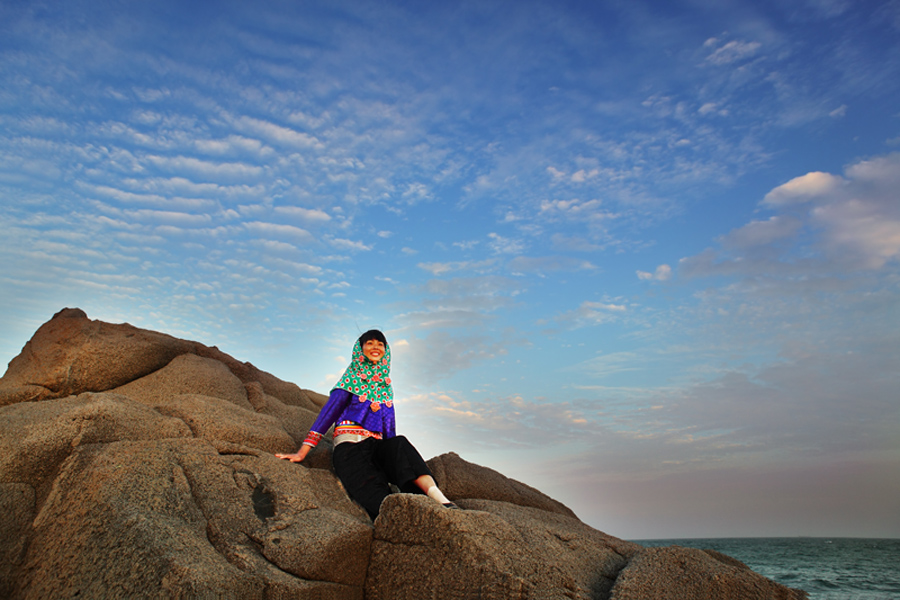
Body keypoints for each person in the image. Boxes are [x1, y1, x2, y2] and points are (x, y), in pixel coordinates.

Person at [276, 329, 457, 519]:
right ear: (360, 348)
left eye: (380, 344)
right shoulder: (351, 379)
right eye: (369, 343)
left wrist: (394, 464)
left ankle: (439, 498)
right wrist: (302, 452)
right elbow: (327, 415)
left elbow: (389, 431)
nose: (375, 347)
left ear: (386, 350)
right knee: (376, 497)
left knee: (400, 444)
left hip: (376, 448)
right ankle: (403, 520)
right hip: (350, 448)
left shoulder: (385, 387)